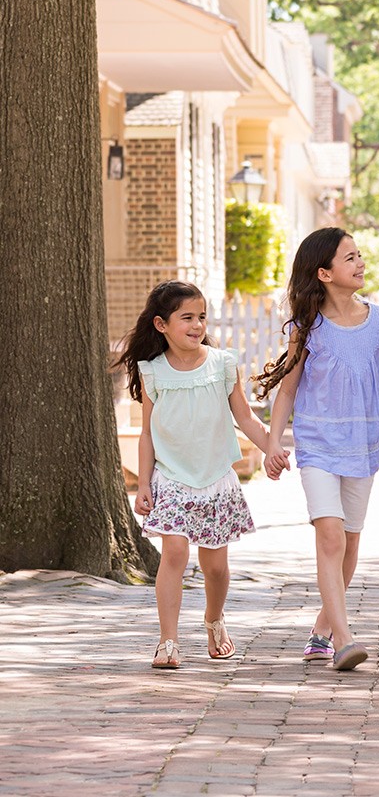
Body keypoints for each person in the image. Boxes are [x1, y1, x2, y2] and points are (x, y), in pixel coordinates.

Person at [256, 227, 379, 672]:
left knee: (348, 543)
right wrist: (273, 443)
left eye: (359, 255)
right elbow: (287, 391)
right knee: (329, 537)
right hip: (318, 444)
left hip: (366, 446)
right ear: (324, 273)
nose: (361, 262)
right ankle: (345, 639)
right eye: (350, 258)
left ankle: (323, 630)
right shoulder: (308, 328)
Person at [117, 281, 269, 670]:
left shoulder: (223, 365)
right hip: (171, 478)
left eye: (201, 317)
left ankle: (214, 620)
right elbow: (148, 432)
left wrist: (273, 448)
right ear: (161, 324)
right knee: (175, 551)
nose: (197, 324)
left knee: (215, 566)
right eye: (187, 317)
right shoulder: (152, 372)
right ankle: (168, 641)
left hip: (215, 476)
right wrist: (145, 483)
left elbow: (245, 416)